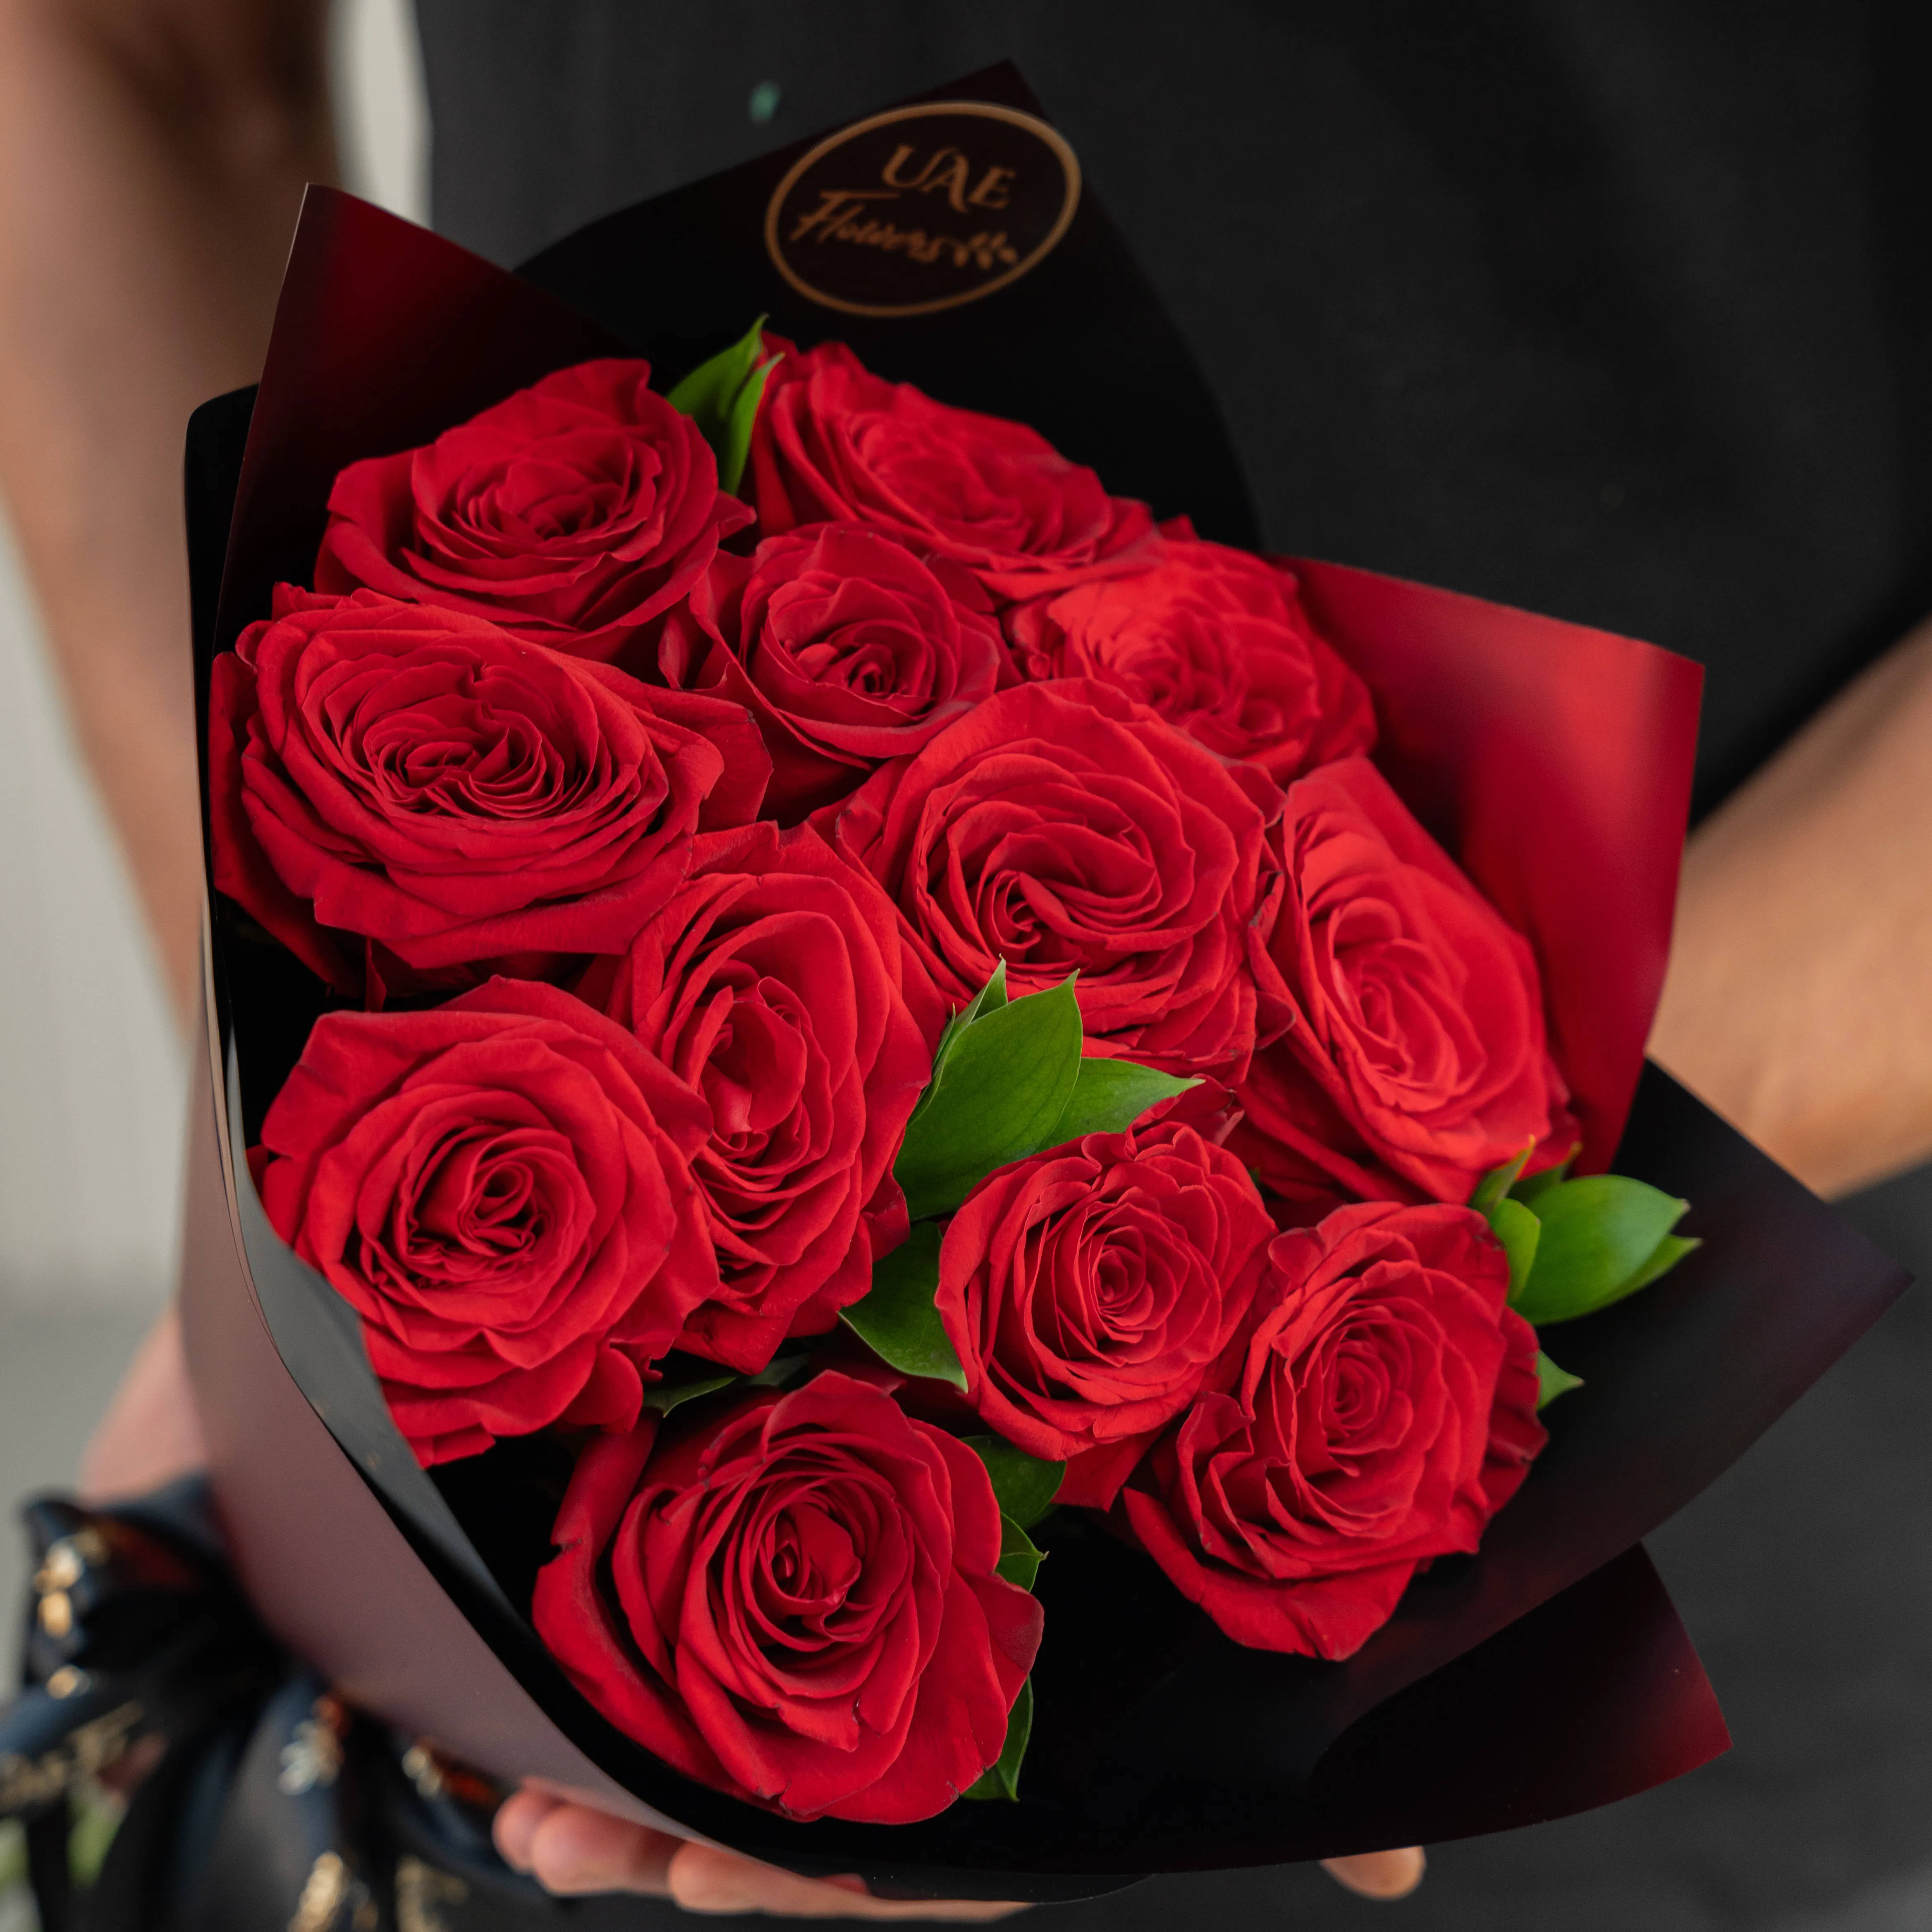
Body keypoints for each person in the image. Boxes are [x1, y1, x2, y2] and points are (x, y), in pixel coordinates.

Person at [3, 0, 1929, 1925]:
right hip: (483, 1621)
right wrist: (292, 1165)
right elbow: (120, 49)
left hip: (1664, 1598)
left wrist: (1388, 1268)